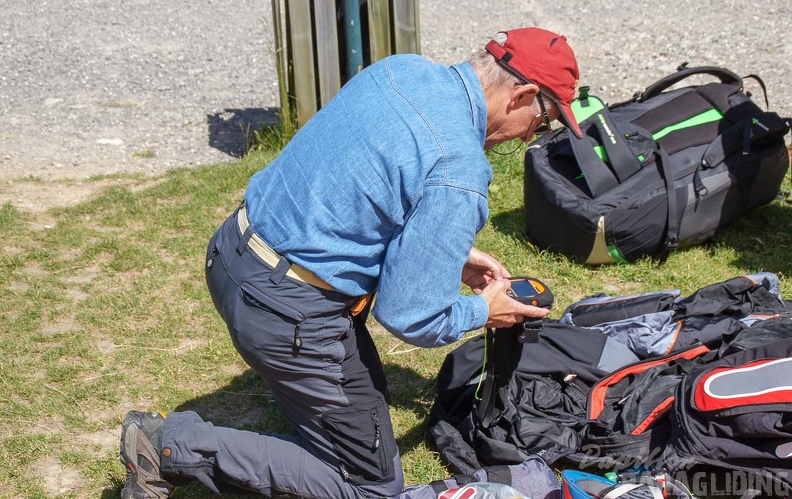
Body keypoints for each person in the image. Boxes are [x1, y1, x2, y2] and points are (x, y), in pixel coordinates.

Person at [119, 27, 582, 499]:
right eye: (541, 124)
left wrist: (447, 254)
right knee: (371, 487)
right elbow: (412, 317)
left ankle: (305, 405)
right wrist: (486, 310)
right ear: (522, 94)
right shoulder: (459, 168)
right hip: (287, 316)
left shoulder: (403, 70)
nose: (531, 136)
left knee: (350, 421)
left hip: (230, 254)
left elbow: (355, 182)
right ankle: (169, 447)